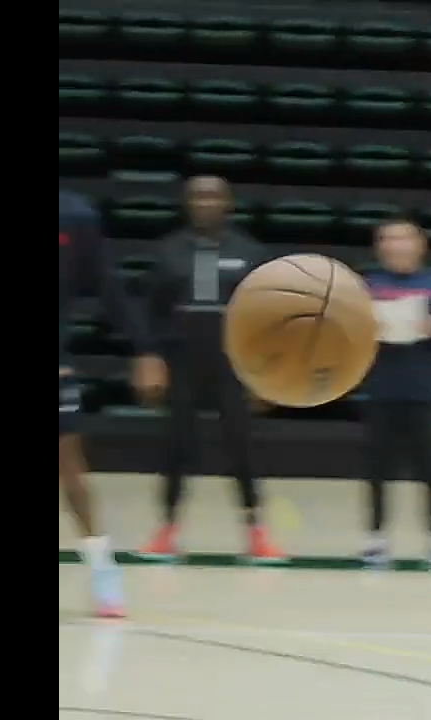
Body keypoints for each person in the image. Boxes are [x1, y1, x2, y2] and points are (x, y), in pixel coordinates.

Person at [136, 176, 285, 563]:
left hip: (232, 364)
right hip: (183, 361)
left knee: (241, 447)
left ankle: (256, 532)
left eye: (213, 195)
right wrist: (150, 357)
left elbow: (268, 317)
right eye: (198, 196)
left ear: (228, 202)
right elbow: (150, 312)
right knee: (177, 446)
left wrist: (266, 372)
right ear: (187, 203)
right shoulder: (169, 252)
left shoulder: (250, 252)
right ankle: (167, 531)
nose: (205, 202)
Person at [59, 190, 168, 617]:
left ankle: (104, 570)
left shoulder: (74, 215)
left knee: (70, 470)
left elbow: (109, 287)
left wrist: (145, 350)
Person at [359, 218, 431, 568]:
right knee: (376, 469)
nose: (396, 246)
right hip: (380, 391)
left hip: (424, 392)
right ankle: (375, 538)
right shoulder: (368, 285)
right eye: (388, 239)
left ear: (420, 245)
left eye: (404, 239)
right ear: (380, 247)